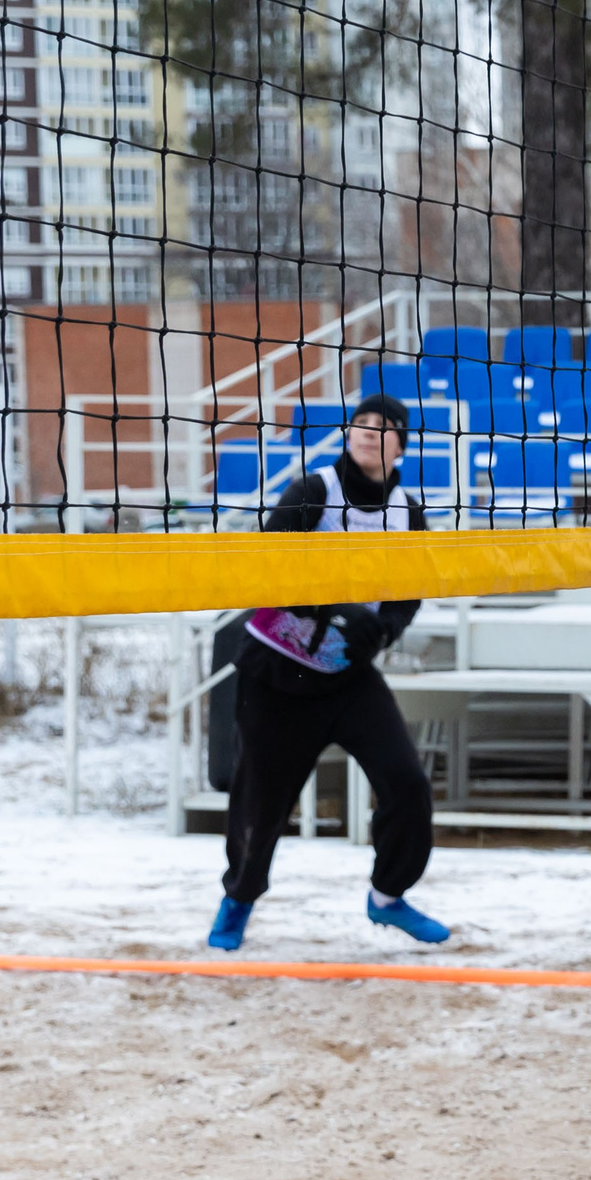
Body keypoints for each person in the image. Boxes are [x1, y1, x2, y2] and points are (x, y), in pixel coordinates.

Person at [210, 394, 450, 951]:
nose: (368, 432)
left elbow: (409, 592)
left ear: (400, 446)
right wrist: (330, 607)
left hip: (346, 674)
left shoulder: (408, 511)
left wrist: (383, 630)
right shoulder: (314, 490)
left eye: (383, 427)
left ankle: (388, 896)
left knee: (407, 784)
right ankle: (238, 899)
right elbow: (269, 565)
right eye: (360, 423)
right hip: (277, 671)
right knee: (260, 804)